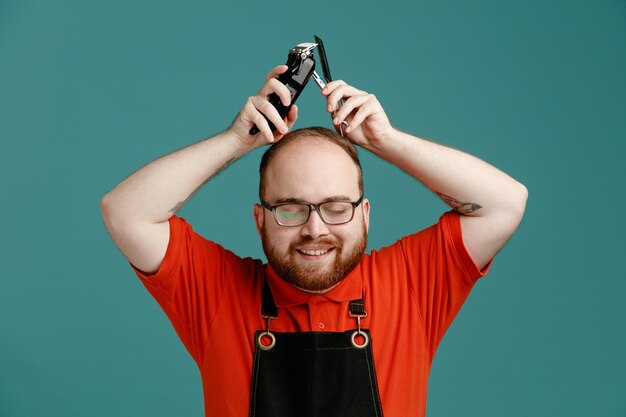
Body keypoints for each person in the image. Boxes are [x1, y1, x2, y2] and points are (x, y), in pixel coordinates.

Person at [100, 64, 528, 417]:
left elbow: (505, 203)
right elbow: (125, 212)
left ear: (365, 215)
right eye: (290, 208)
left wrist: (386, 141)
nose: (315, 229)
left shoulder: (411, 284)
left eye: (336, 207)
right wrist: (235, 141)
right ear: (259, 219)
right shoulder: (217, 293)